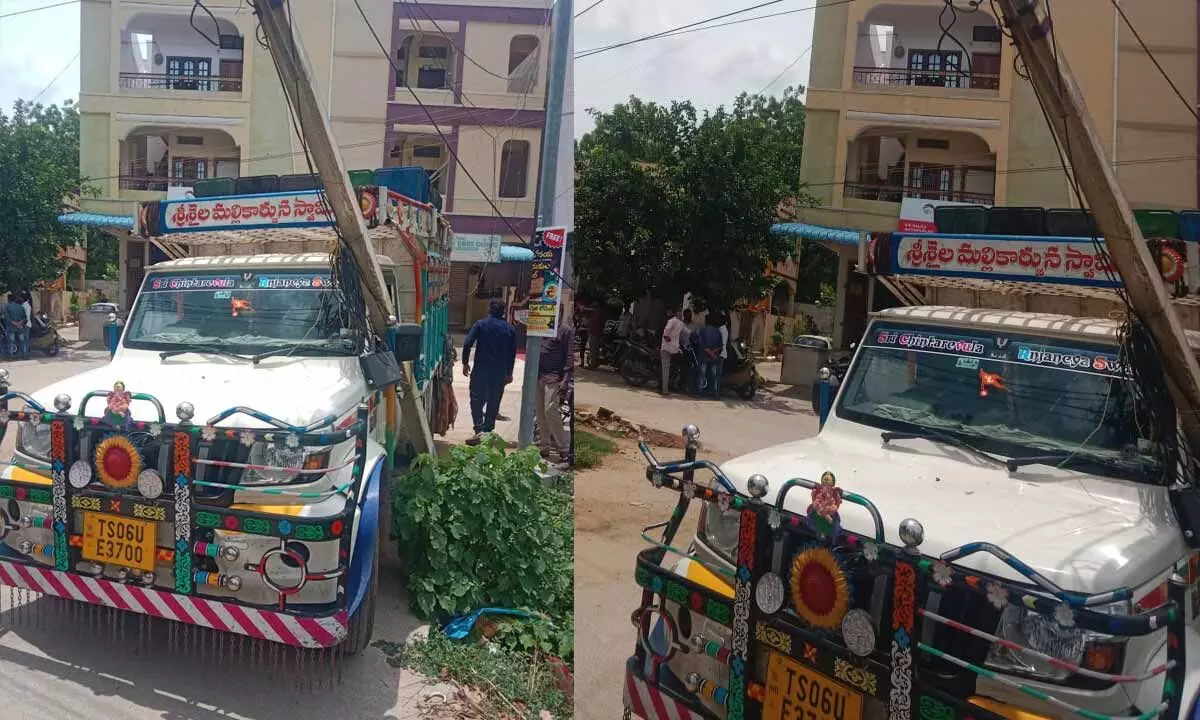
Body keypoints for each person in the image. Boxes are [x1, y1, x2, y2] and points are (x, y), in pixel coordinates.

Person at [462, 298, 517, 445]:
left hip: (481, 370)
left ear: (489, 310)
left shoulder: (480, 324)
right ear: (503, 312)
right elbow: (512, 353)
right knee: (494, 401)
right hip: (499, 372)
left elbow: (467, 343)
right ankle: (487, 431)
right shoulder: (510, 329)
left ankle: (479, 429)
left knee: (476, 399)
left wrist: (465, 363)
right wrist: (510, 373)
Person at [537, 303, 573, 467]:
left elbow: (569, 356)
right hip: (539, 376)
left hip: (554, 377)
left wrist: (565, 379)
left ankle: (563, 448)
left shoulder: (565, 331)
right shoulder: (542, 328)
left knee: (550, 410)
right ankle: (544, 446)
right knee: (540, 413)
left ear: (560, 312)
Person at [694, 313, 724, 399]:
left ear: (706, 321)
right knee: (714, 375)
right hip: (714, 357)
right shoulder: (718, 331)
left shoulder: (702, 330)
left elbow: (701, 345)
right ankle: (714, 393)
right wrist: (713, 353)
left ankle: (699, 392)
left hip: (704, 356)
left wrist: (709, 352)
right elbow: (720, 345)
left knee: (702, 374)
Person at [660, 308, 687, 395]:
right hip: (673, 349)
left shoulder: (673, 321)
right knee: (668, 368)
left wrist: (666, 337)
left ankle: (665, 389)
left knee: (666, 368)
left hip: (667, 347)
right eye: (679, 313)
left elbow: (667, 331)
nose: (680, 315)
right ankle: (666, 388)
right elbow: (687, 332)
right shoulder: (680, 323)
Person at [5, 292, 28, 359]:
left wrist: (15, 323)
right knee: (22, 341)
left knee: (11, 342)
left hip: (11, 328)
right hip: (20, 328)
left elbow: (7, 318)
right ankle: (25, 356)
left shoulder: (8, 307)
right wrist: (19, 324)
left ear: (8, 299)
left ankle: (11, 357)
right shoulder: (21, 307)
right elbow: (25, 318)